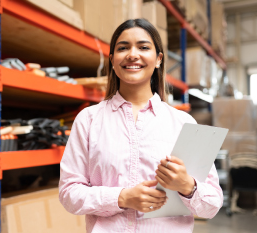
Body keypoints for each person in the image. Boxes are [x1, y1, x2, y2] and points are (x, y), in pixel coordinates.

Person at [59, 19, 223, 233]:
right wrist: (122, 197)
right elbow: (69, 194)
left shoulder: (184, 124)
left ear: (158, 59)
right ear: (112, 60)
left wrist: (187, 186)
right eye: (123, 48)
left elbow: (212, 204)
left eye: (143, 47)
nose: (132, 54)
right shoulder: (88, 120)